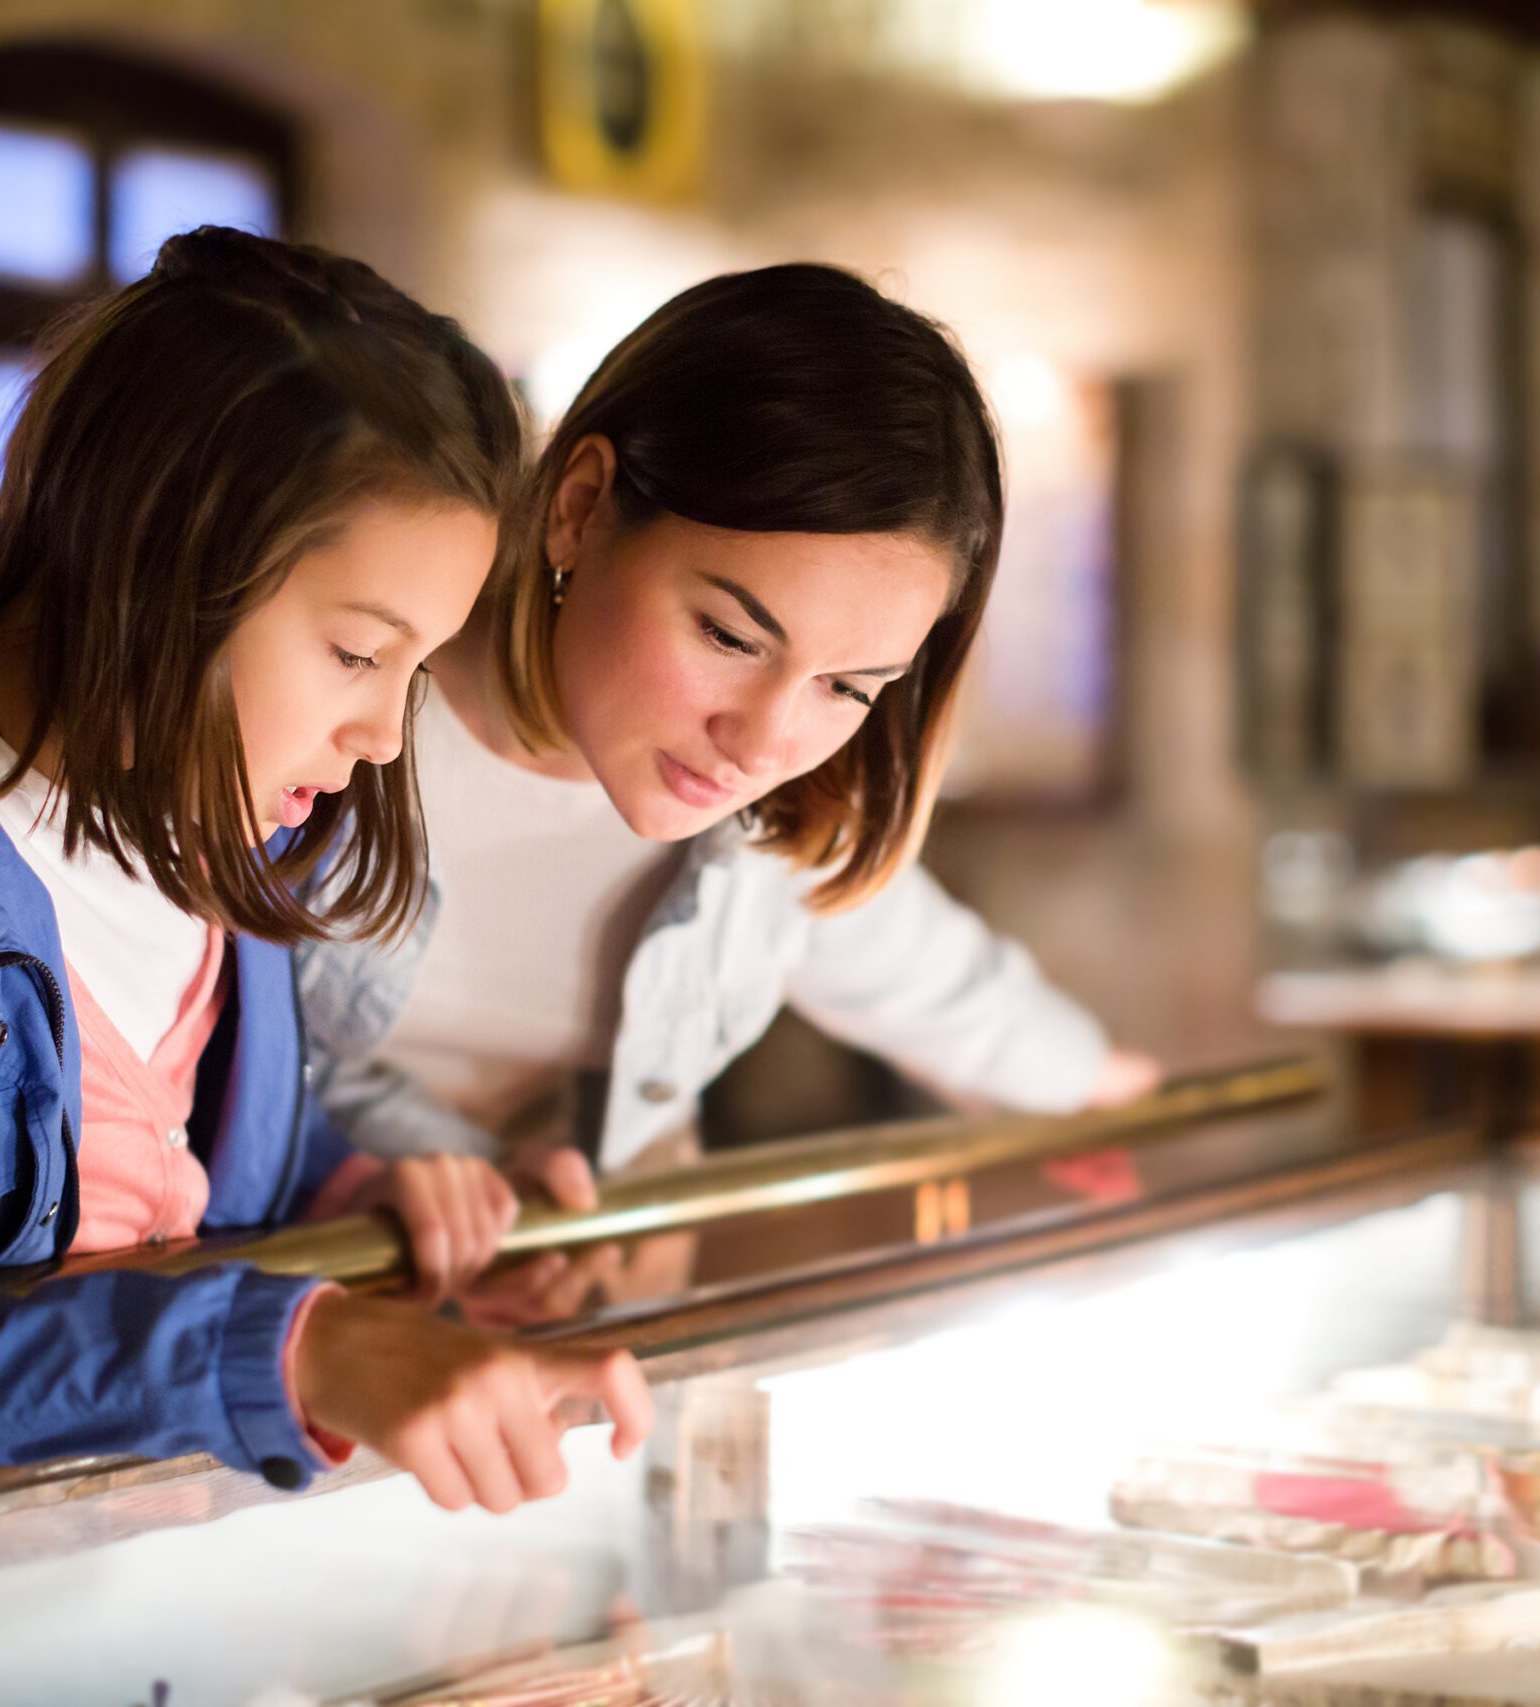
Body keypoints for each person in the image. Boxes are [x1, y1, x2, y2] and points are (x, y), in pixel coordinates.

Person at [0, 230, 649, 1515]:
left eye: (415, 669)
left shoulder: (222, 810)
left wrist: (363, 1198)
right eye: (355, 654)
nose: (385, 738)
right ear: (160, 564)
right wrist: (298, 1347)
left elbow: (163, 1158)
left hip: (124, 1573)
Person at [297, 264, 1161, 1251]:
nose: (763, 744)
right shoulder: (323, 733)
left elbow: (946, 990)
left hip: (574, 1309)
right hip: (299, 1299)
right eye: (730, 638)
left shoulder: (779, 838)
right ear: (581, 505)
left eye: (846, 688)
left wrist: (1116, 1095)